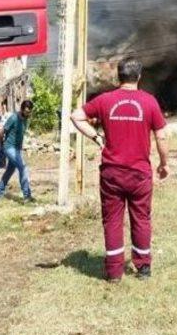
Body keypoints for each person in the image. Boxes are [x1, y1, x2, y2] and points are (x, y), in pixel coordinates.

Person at [71, 56, 168, 283]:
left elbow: (76, 116)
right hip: (139, 173)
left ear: (118, 76)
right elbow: (161, 135)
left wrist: (96, 137)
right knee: (141, 218)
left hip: (112, 173)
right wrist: (165, 164)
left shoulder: (105, 100)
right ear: (139, 77)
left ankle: (114, 272)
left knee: (112, 220)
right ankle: (143, 268)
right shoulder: (149, 102)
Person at [0, 100, 35, 202]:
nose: (27, 114)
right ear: (21, 109)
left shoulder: (26, 119)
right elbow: (1, 132)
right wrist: (1, 145)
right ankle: (27, 195)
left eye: (29, 112)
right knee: (23, 168)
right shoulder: (13, 118)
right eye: (26, 112)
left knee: (10, 171)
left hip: (17, 149)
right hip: (9, 147)